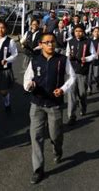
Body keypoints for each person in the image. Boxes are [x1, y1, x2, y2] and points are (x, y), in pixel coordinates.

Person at [23, 32, 76, 184]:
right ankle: (38, 169)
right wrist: (29, 85)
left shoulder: (62, 60)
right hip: (37, 104)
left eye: (52, 42)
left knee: (55, 135)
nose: (50, 44)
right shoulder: (35, 60)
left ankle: (57, 150)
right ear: (41, 44)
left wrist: (63, 89)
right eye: (47, 42)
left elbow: (71, 77)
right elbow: (27, 78)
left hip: (54, 105)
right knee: (36, 137)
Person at [65, 24, 97, 125]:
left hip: (83, 71)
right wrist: (69, 56)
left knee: (82, 93)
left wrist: (86, 59)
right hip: (72, 72)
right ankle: (71, 116)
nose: (78, 33)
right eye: (76, 31)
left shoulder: (88, 42)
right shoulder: (70, 42)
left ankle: (83, 106)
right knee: (71, 95)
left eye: (80, 31)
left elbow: (94, 55)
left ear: (83, 32)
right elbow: (67, 53)